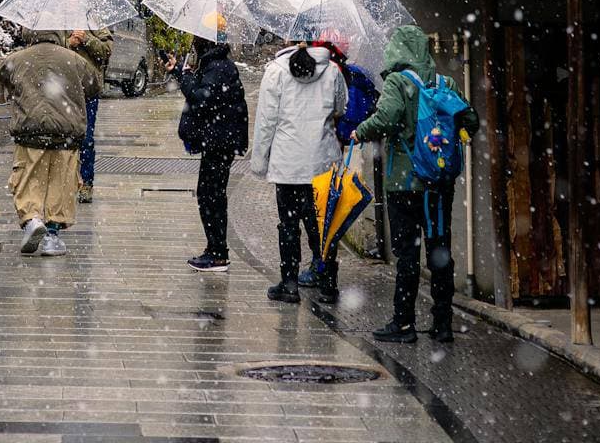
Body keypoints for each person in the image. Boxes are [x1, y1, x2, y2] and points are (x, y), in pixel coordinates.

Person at [352, 24, 479, 345]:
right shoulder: (444, 82)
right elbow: (470, 120)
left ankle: (404, 323)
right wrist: (451, 141)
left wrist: (360, 131)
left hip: (404, 185)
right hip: (438, 184)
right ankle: (442, 324)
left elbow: (387, 117)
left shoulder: (398, 82)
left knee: (407, 254)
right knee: (440, 251)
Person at [250, 41, 347, 304]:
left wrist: (259, 161)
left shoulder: (276, 70)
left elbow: (266, 120)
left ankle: (290, 283)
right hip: (322, 163)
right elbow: (340, 108)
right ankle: (328, 284)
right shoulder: (332, 70)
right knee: (323, 225)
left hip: (288, 164)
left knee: (289, 225)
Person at [0, 29, 100, 256]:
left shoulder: (20, 57)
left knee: (28, 179)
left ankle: (32, 220)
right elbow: (94, 85)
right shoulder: (74, 59)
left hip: (31, 131)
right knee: (61, 184)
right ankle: (52, 235)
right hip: (65, 134)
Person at [174, 35, 249, 270]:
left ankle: (218, 253)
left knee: (211, 195)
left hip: (219, 142)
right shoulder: (215, 65)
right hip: (217, 141)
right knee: (210, 194)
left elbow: (200, 98)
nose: (193, 43)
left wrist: (184, 77)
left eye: (197, 39)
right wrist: (181, 71)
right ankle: (215, 248)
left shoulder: (218, 67)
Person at [68, 28, 112, 203]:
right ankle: (65, 182)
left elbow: (106, 52)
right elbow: (48, 50)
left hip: (88, 91)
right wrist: (69, 43)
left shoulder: (95, 22)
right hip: (62, 91)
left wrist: (86, 39)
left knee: (86, 139)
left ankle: (86, 182)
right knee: (63, 138)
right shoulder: (58, 22)